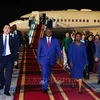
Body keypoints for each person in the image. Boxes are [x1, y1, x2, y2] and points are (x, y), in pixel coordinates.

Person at [37, 28, 62, 94]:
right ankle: (44, 87)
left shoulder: (55, 40)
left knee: (48, 73)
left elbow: (58, 50)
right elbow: (39, 50)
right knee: (44, 73)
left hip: (52, 59)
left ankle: (46, 84)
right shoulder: (41, 40)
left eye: (50, 32)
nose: (48, 33)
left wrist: (59, 58)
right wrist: (38, 59)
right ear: (45, 33)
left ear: (51, 33)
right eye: (47, 32)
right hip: (43, 59)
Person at [0, 24, 18, 96]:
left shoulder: (13, 38)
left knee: (8, 75)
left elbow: (15, 49)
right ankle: (2, 82)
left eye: (8, 28)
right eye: (5, 28)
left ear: (10, 30)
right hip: (1, 58)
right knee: (0, 72)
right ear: (3, 29)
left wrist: (16, 60)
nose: (7, 29)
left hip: (10, 59)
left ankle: (6, 90)